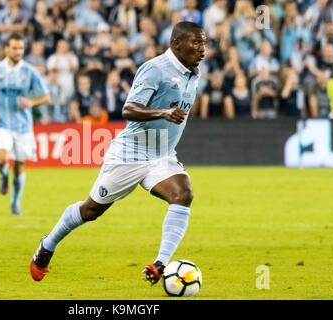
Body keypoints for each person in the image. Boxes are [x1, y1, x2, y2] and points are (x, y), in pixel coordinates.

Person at [30, 21, 207, 285]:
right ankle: (48, 244)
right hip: (129, 154)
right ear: (176, 44)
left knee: (183, 194)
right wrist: (162, 112)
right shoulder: (155, 69)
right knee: (91, 210)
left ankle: (160, 265)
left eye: (204, 43)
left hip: (161, 156)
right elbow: (128, 109)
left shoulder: (193, 73)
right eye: (196, 43)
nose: (202, 49)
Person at [0, 32, 51, 216]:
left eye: (21, 48)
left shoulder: (30, 71)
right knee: (2, 158)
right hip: (1, 123)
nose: (18, 51)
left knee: (19, 167)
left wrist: (32, 102)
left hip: (23, 127)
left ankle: (15, 202)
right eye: (15, 48)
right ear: (6, 49)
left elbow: (46, 97)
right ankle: (3, 175)